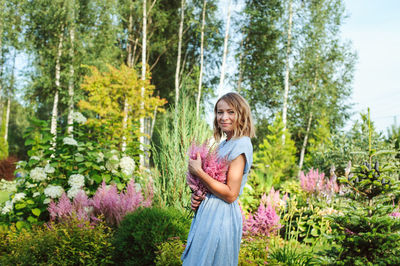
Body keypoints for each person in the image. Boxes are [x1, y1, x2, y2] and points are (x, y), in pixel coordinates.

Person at [181, 92, 255, 266]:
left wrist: (199, 172)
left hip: (222, 217)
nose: (224, 117)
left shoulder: (241, 144)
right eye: (219, 112)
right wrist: (199, 195)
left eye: (230, 112)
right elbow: (214, 183)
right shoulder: (224, 144)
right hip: (209, 214)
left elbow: (230, 195)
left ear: (241, 114)